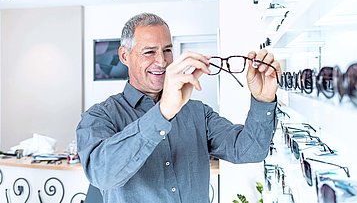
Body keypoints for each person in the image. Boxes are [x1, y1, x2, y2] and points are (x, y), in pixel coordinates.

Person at [76, 12, 281, 203]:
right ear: (124, 56)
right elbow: (102, 175)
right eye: (149, 52)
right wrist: (162, 113)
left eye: (167, 50)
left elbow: (250, 150)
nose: (162, 61)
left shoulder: (198, 112)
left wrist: (262, 99)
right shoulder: (99, 116)